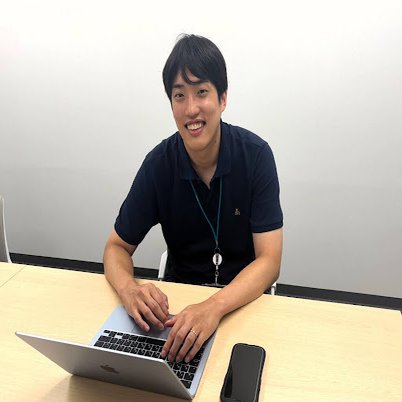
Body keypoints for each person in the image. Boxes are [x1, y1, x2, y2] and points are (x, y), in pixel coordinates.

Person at [103, 34, 283, 364]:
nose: (191, 109)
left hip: (241, 303)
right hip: (177, 313)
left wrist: (213, 306)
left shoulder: (256, 156)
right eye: (179, 96)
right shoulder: (158, 165)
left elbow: (269, 261)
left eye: (201, 92)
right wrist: (130, 290)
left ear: (222, 98)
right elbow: (116, 247)